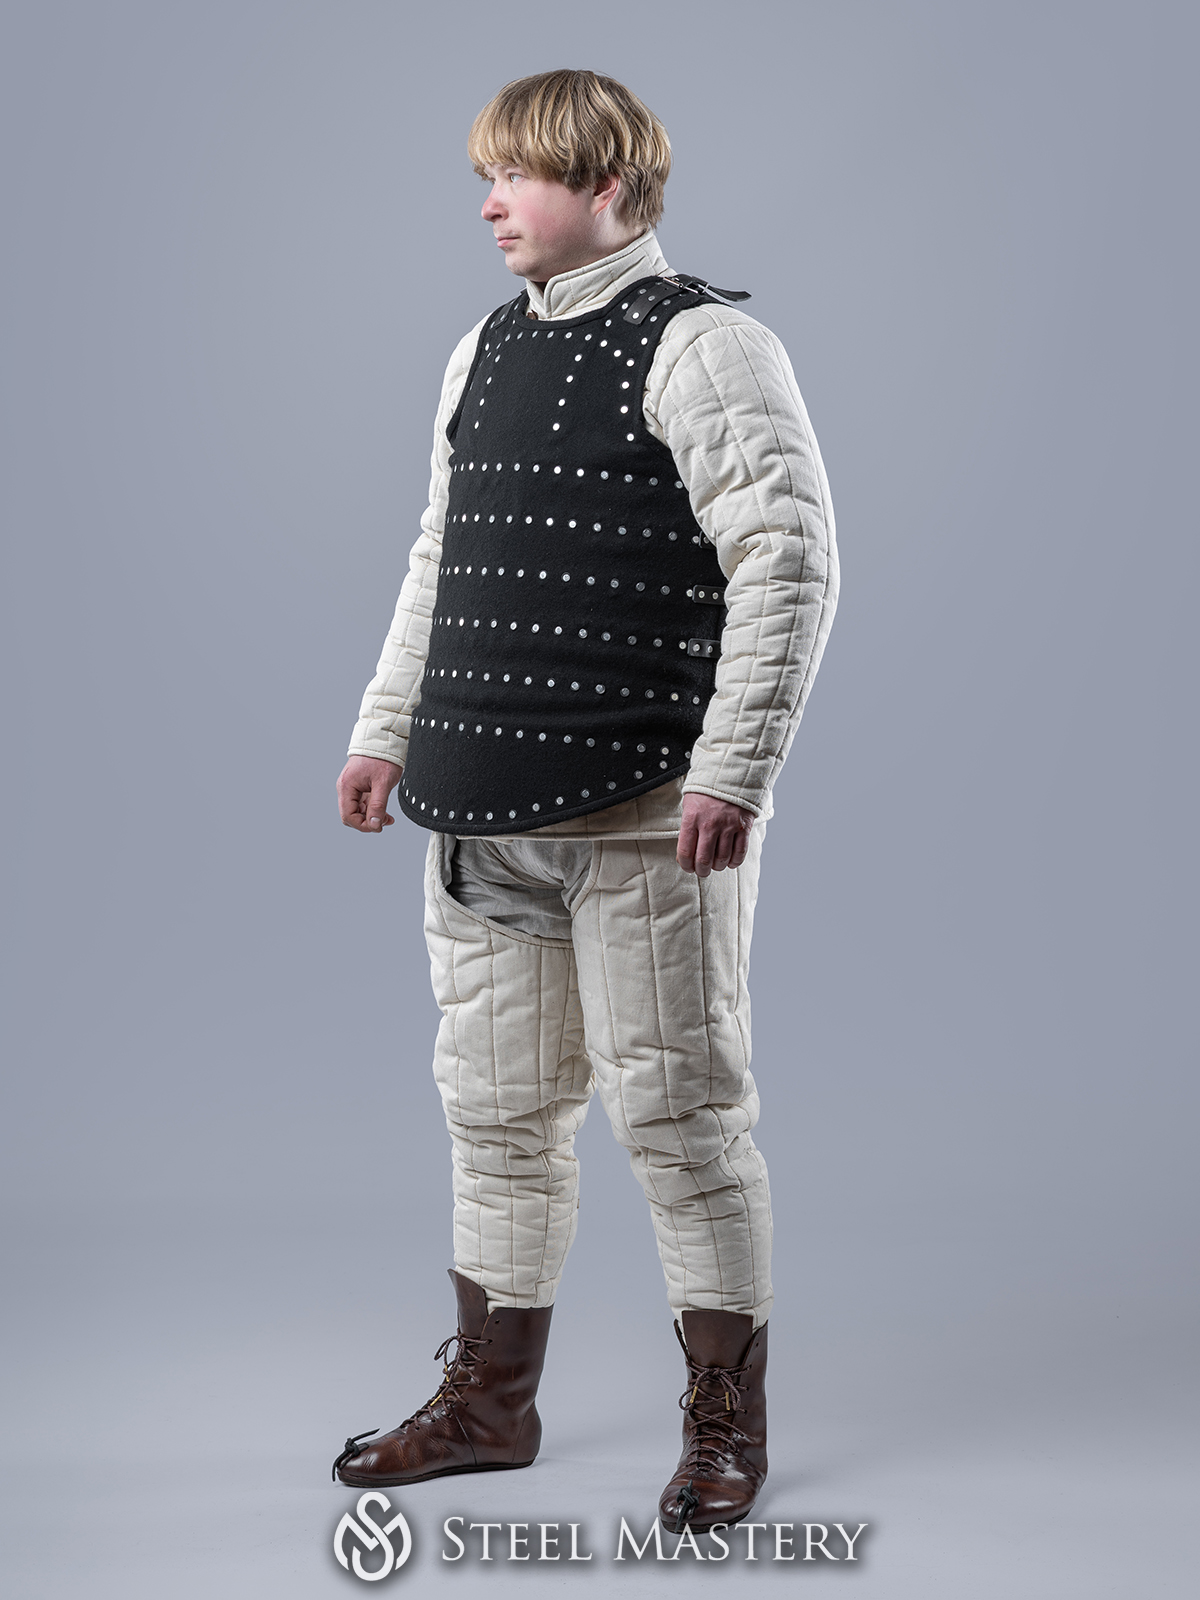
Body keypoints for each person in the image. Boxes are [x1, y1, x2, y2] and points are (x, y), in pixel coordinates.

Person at [331, 69, 838, 1534]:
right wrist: (385, 730)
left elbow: (789, 563)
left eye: (518, 177)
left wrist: (736, 767)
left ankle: (725, 1422)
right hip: (480, 811)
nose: (491, 205)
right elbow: (445, 556)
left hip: (644, 813)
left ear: (606, 184)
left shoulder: (709, 346)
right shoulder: (483, 347)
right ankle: (490, 1404)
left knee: (680, 1117)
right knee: (494, 1115)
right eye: (485, 179)